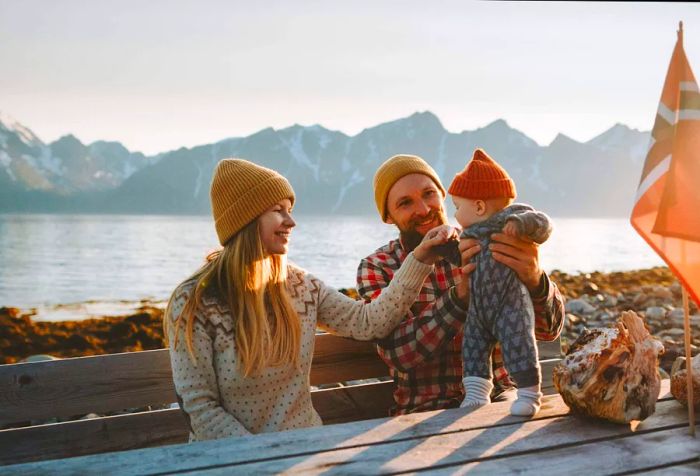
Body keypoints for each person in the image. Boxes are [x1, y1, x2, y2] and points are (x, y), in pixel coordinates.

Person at [164, 158, 453, 442]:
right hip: (234, 462)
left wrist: (419, 259)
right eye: (279, 210)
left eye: (289, 210)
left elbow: (368, 323)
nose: (291, 221)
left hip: (306, 448)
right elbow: (200, 409)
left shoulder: (301, 286)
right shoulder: (193, 302)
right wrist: (261, 456)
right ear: (246, 220)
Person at [357, 153, 565, 415]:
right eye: (405, 203)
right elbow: (399, 354)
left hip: (502, 402)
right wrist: (459, 299)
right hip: (425, 413)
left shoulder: (489, 241)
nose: (423, 209)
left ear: (444, 195)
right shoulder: (379, 266)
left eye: (429, 194)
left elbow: (550, 331)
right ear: (388, 216)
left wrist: (535, 279)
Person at [446, 148, 553, 417]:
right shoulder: (464, 237)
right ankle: (475, 393)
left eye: (458, 207)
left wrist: (534, 273)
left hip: (509, 303)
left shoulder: (511, 219)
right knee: (472, 346)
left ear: (479, 206)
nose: (455, 215)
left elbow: (542, 223)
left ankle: (529, 394)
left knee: (519, 343)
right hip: (479, 310)